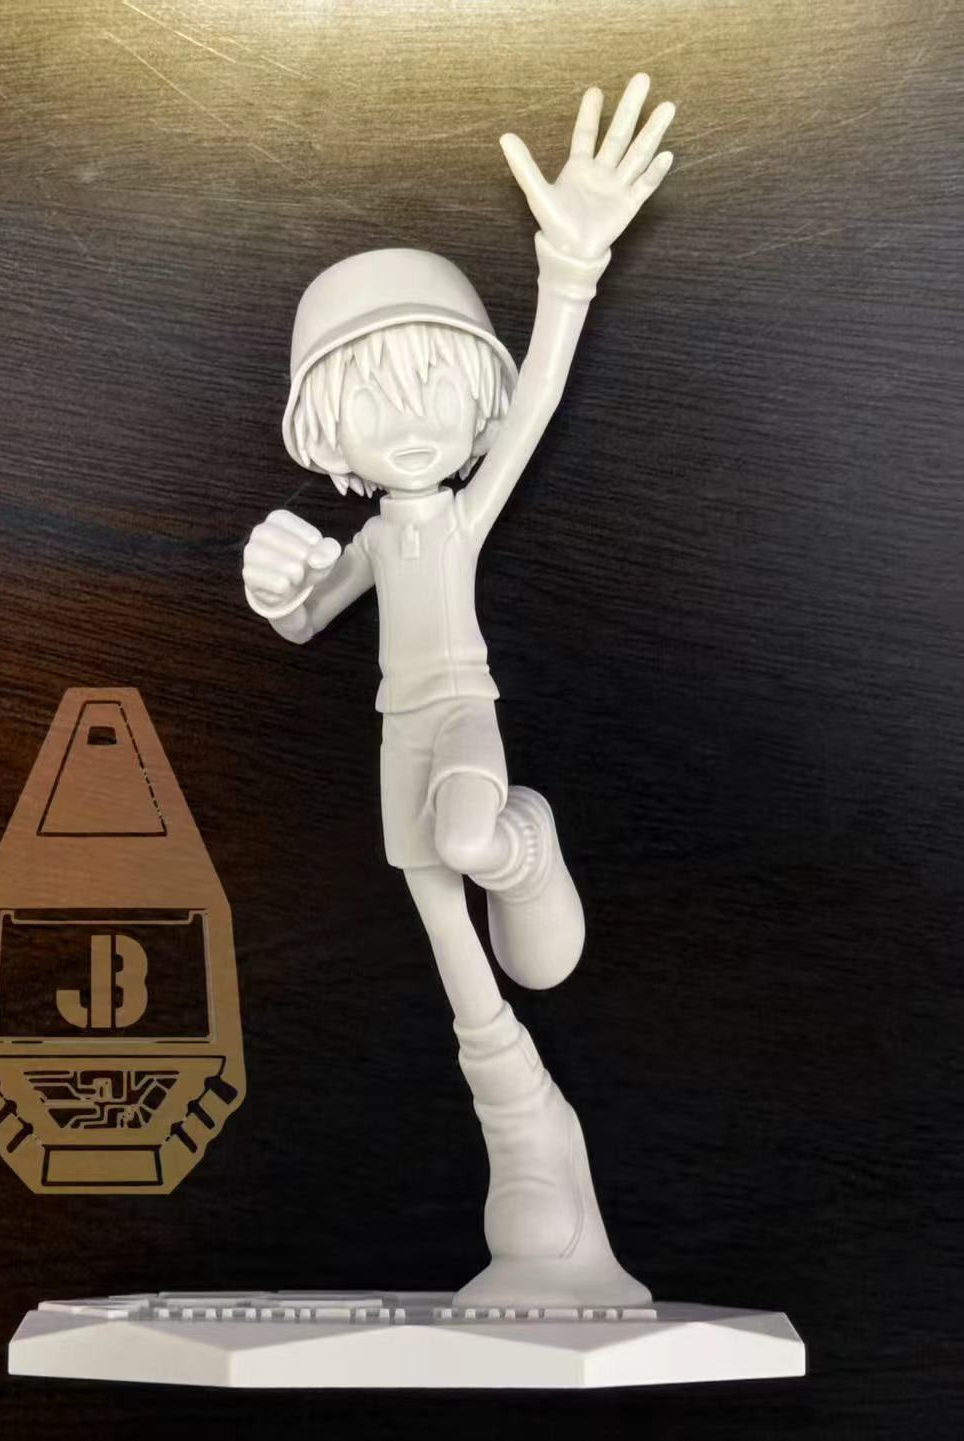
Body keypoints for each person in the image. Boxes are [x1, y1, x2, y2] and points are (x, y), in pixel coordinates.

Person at [244, 75, 675, 1306]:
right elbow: (307, 616)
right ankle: (525, 1130)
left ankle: (524, 847)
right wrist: (278, 588)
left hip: (463, 713)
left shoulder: (460, 512)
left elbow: (532, 405)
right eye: (375, 401)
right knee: (441, 920)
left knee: (471, 841)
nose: (413, 425)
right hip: (398, 736)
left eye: (433, 385)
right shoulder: (381, 536)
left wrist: (570, 269)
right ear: (328, 432)